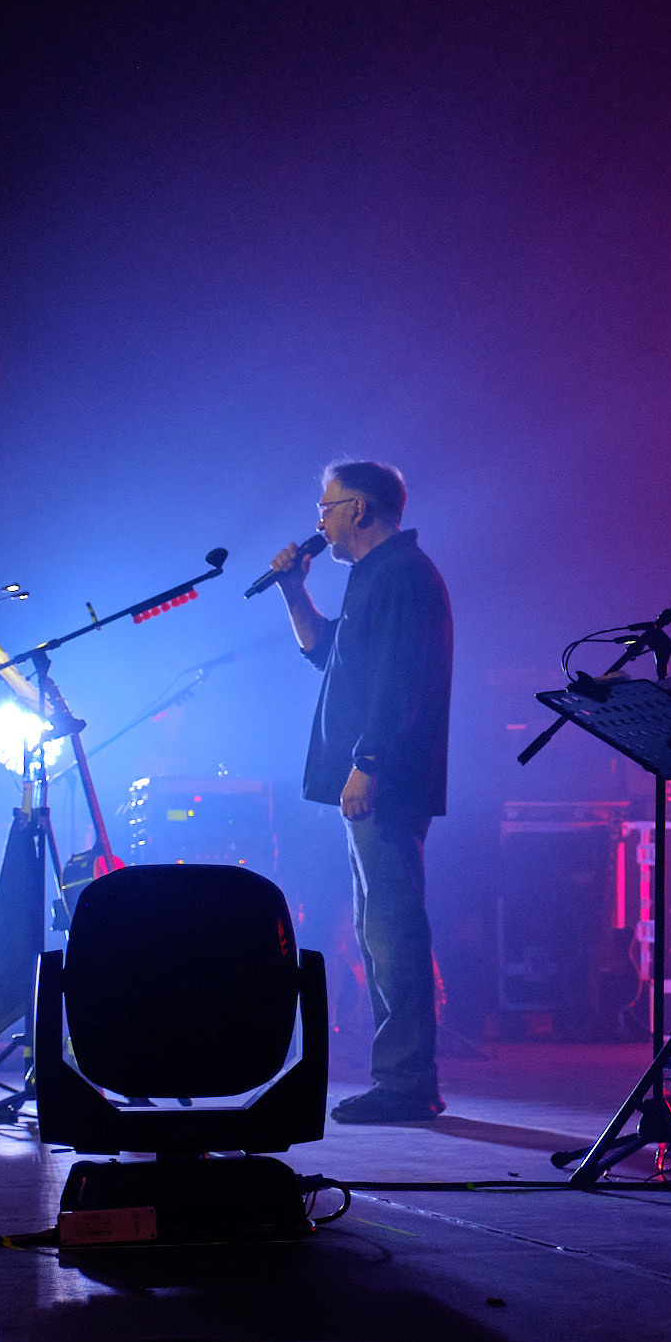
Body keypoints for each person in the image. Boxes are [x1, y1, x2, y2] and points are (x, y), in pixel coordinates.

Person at [267, 460, 455, 1123]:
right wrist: (294, 591)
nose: (318, 519)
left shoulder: (403, 575)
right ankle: (400, 1076)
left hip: (388, 780)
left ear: (361, 509)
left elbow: (403, 681)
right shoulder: (374, 578)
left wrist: (368, 763)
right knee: (378, 927)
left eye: (328, 505)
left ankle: (407, 1082)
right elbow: (329, 655)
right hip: (375, 776)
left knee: (393, 927)